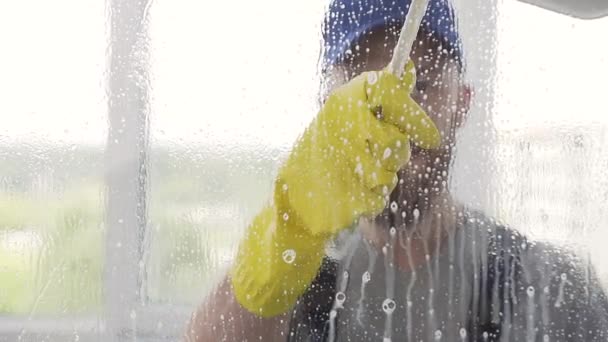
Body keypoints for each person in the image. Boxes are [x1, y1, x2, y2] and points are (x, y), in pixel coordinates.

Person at [185, 0, 608, 341]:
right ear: (328, 109)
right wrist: (288, 229)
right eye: (362, 85)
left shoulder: (548, 286)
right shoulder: (301, 274)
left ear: (462, 102)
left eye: (419, 84)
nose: (392, 115)